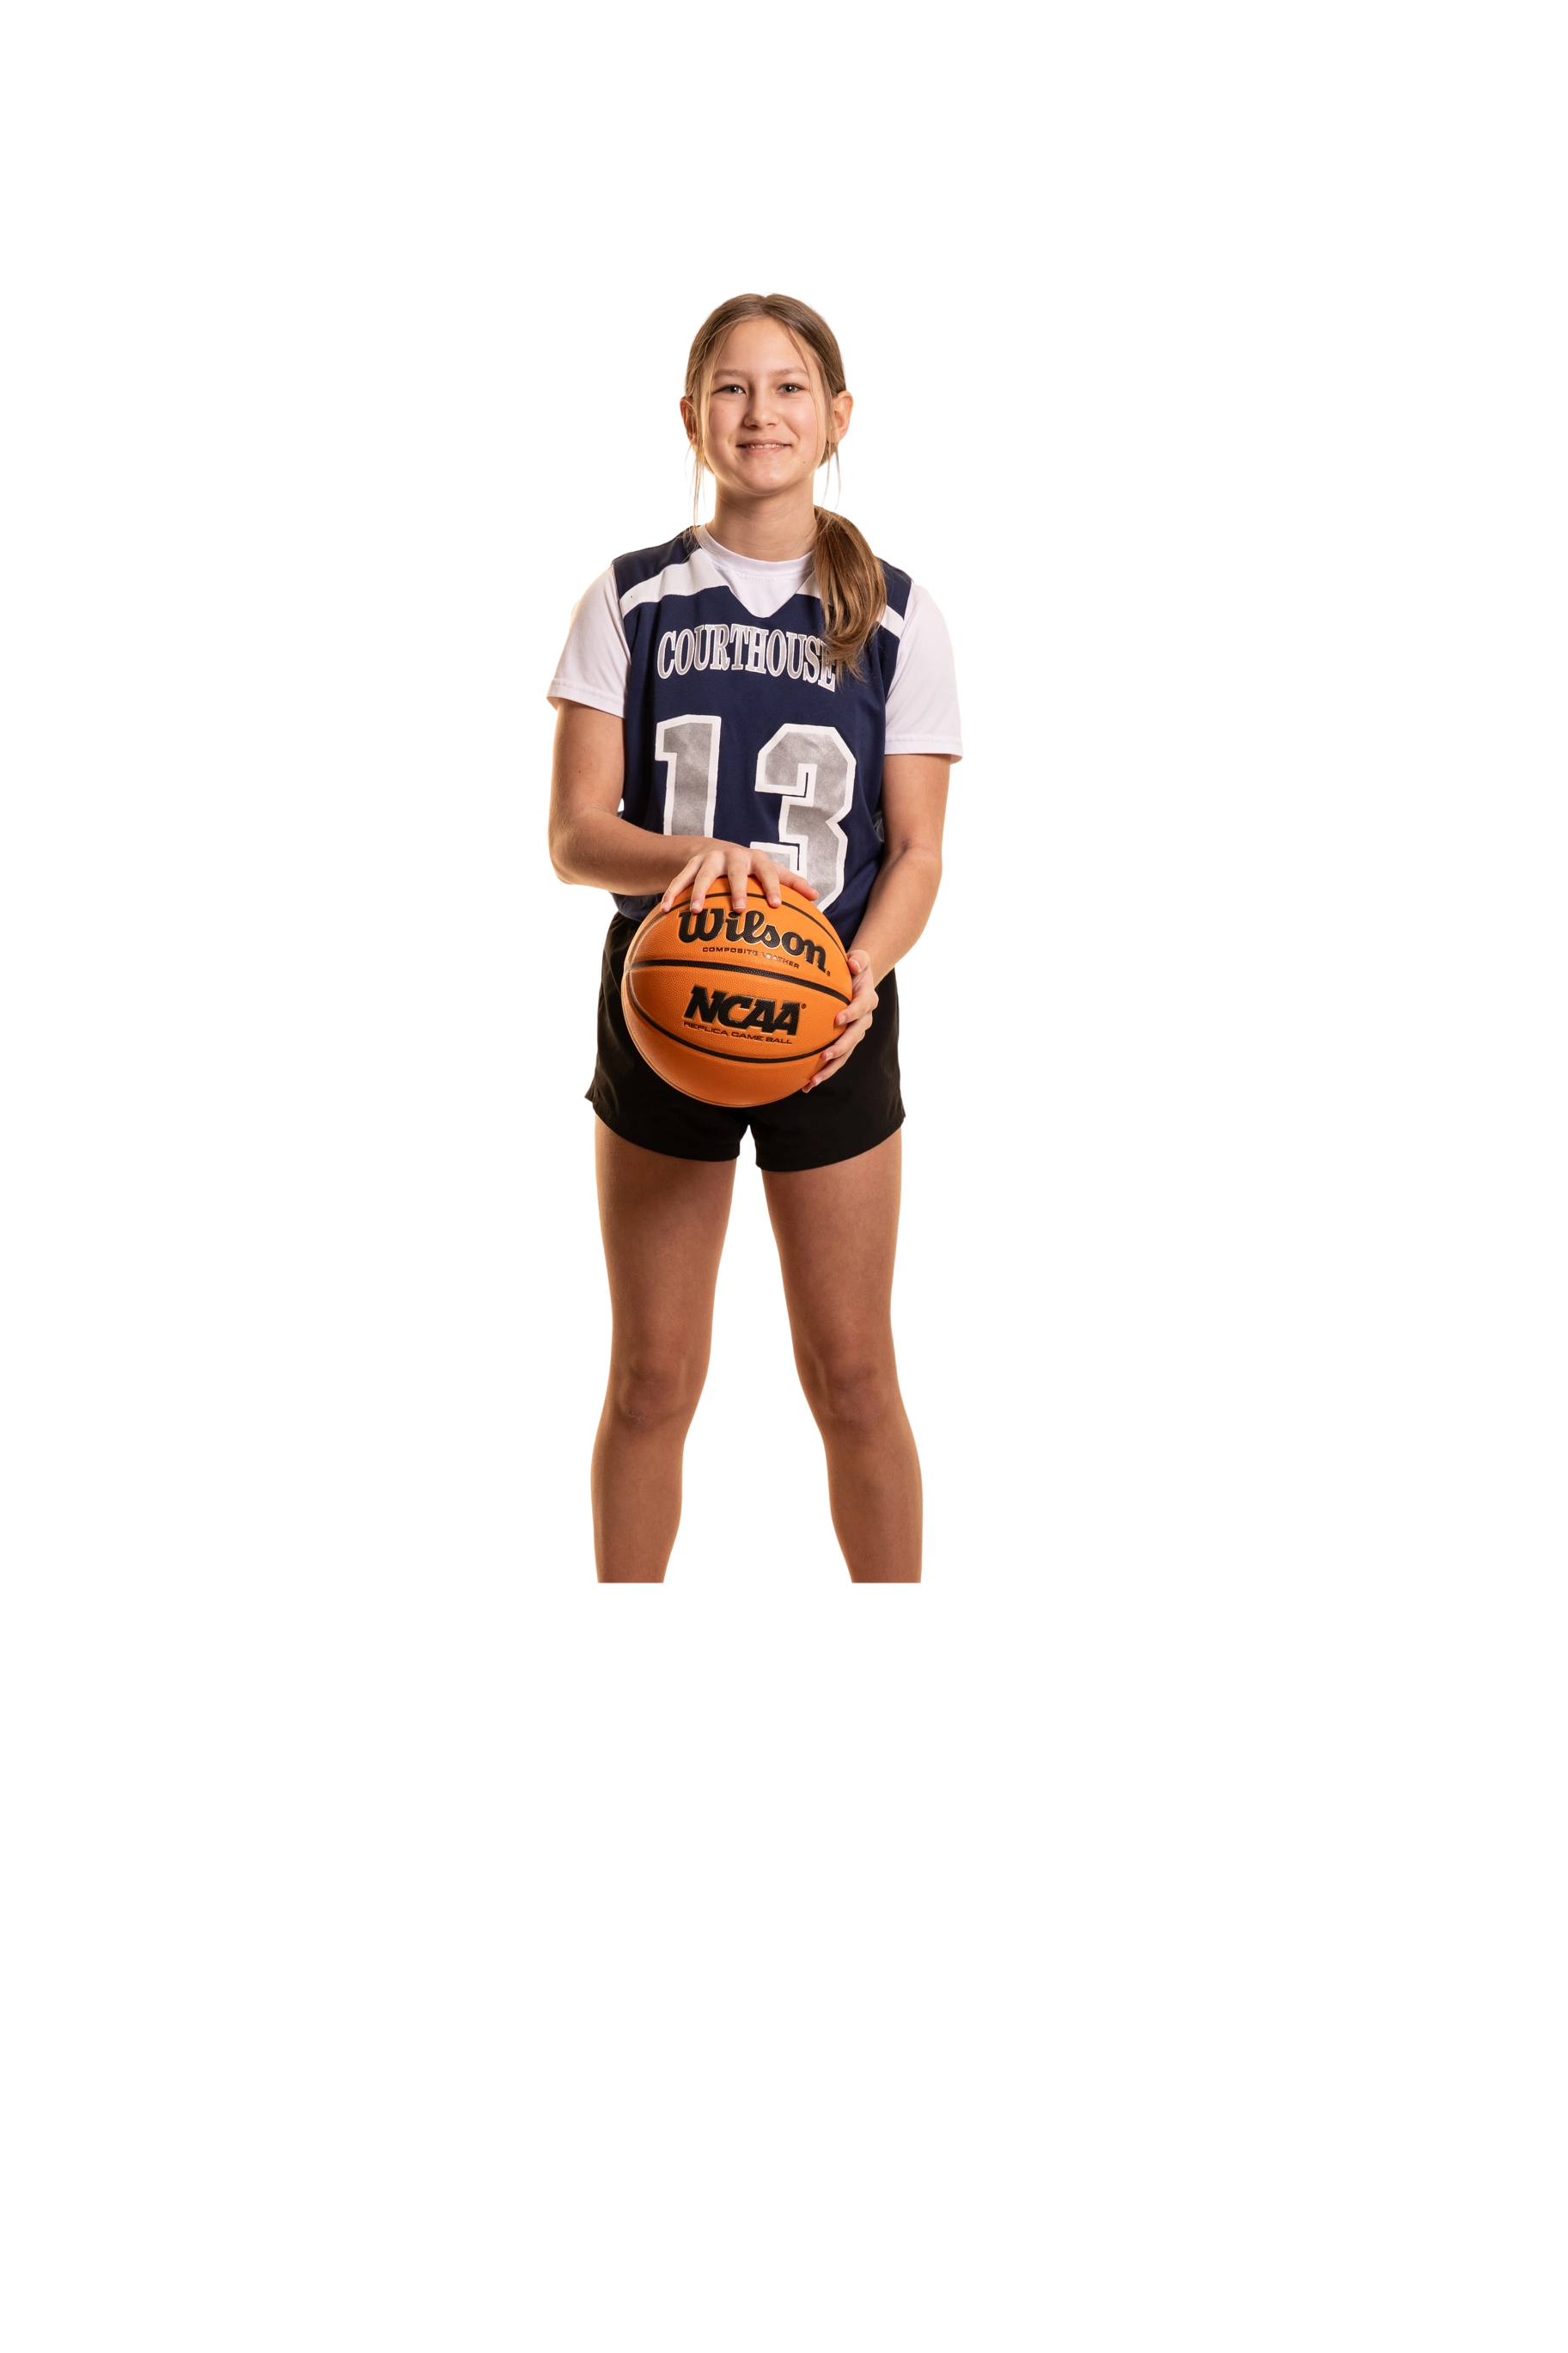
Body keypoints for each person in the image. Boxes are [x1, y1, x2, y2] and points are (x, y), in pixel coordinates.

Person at [546, 290, 962, 1584]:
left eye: (790, 388)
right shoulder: (630, 600)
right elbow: (573, 835)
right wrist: (689, 860)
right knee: (651, 1378)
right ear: (690, 415)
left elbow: (920, 850)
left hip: (833, 1013)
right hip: (663, 1001)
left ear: (838, 417)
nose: (760, 413)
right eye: (732, 386)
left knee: (855, 1375)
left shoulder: (899, 615)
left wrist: (862, 974)